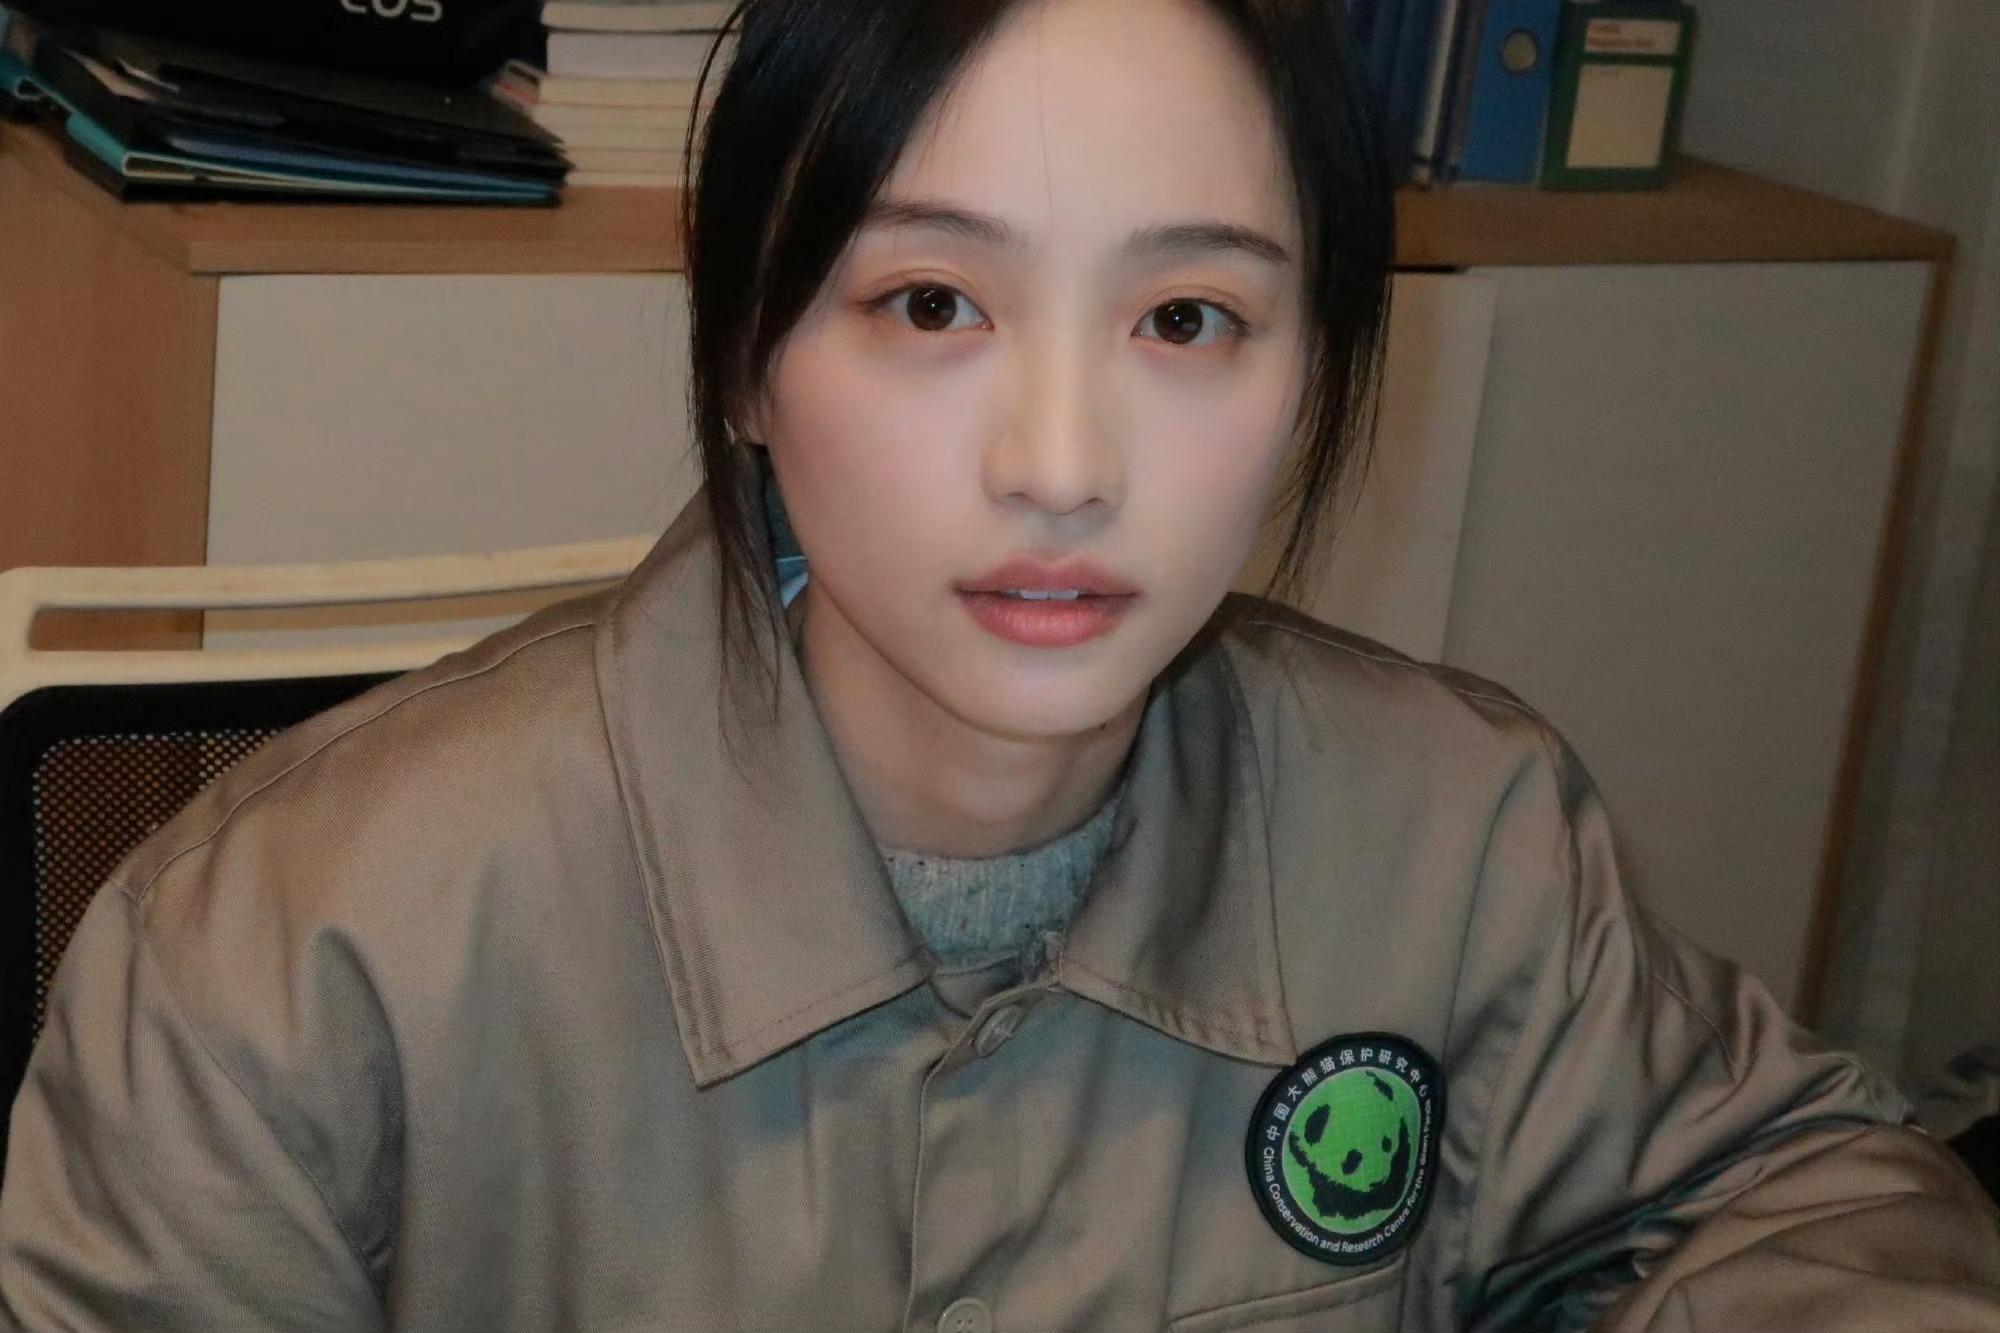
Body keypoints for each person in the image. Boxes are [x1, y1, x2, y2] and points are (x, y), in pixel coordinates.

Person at [2, 0, 1996, 1327]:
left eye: (1188, 320)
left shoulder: (1462, 840)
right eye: (932, 303)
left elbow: (1804, 1192)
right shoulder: (285, 959)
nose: (1061, 464)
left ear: (1315, 377)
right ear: (749, 362)